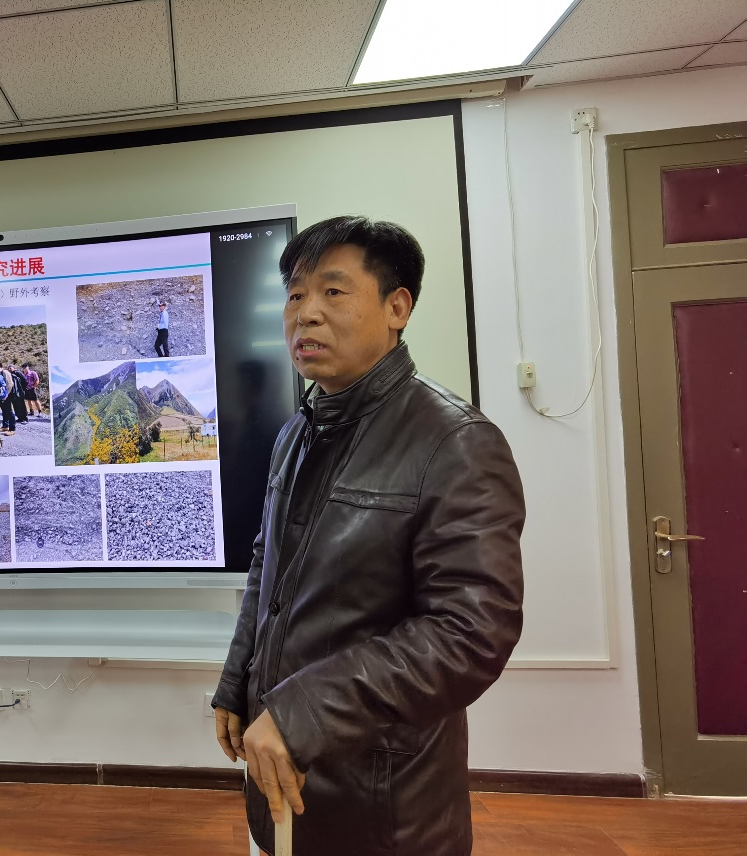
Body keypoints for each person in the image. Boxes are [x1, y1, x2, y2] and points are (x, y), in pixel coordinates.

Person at [212, 216, 524, 856]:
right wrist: (237, 678)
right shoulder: (294, 435)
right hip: (282, 771)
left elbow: (471, 632)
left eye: (333, 291)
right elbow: (268, 567)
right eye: (295, 295)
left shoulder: (455, 441)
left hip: (385, 797)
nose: (306, 314)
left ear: (397, 308)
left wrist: (303, 710)